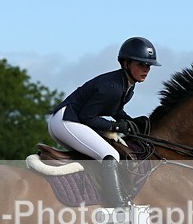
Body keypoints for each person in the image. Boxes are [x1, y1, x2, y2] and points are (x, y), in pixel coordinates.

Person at [48, 37, 161, 207]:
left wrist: (129, 122)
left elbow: (114, 110)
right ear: (126, 63)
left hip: (73, 120)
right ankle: (117, 206)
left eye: (148, 66)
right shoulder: (113, 87)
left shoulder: (126, 86)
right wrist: (115, 126)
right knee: (111, 155)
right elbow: (87, 116)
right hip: (66, 121)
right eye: (141, 64)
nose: (146, 69)